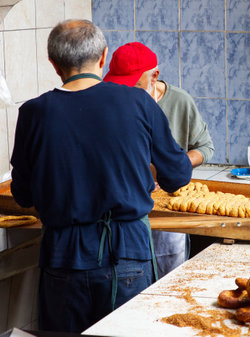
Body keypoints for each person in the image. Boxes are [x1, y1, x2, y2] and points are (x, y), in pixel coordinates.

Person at [10, 20, 192, 333]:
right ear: (104, 57)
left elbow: (23, 194)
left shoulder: (33, 113)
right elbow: (177, 175)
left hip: (62, 257)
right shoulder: (138, 103)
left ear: (54, 64)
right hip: (128, 255)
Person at [104, 42, 215, 278]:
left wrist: (174, 164)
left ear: (154, 76)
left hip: (167, 205)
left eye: (134, 85)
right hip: (130, 206)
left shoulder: (179, 102)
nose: (127, 92)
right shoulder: (113, 103)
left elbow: (205, 147)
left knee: (168, 276)